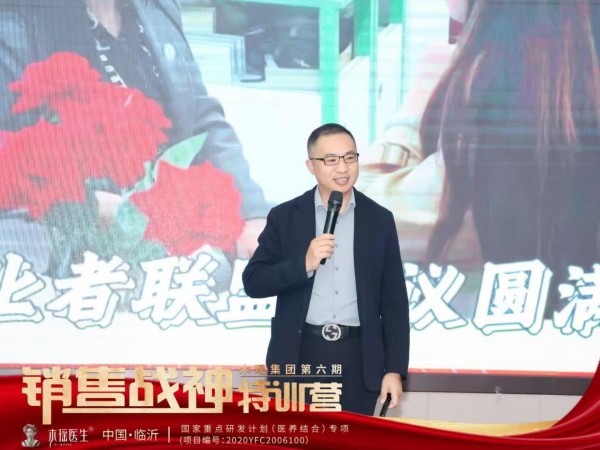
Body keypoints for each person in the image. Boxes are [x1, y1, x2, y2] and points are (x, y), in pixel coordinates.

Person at [0, 0, 268, 272]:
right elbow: (15, 169)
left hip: (184, 240)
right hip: (85, 262)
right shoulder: (16, 25)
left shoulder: (156, 7)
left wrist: (251, 216)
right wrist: (95, 206)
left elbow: (200, 117)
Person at [242, 123, 410, 415]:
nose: (342, 168)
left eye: (350, 157)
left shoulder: (379, 220)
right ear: (311, 166)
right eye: (331, 160)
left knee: (351, 437)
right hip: (299, 356)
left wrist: (394, 369)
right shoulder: (285, 217)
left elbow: (394, 302)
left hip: (358, 358)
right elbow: (254, 282)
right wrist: (304, 264)